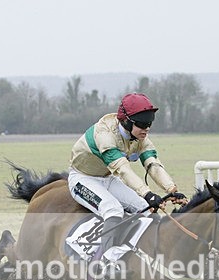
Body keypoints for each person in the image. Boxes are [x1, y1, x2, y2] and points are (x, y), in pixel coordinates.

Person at [68, 93, 188, 269]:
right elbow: (123, 170)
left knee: (145, 208)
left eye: (149, 124)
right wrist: (148, 193)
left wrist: (171, 189)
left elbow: (152, 164)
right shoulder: (105, 135)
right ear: (126, 121)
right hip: (83, 178)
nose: (146, 129)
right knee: (113, 209)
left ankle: (150, 254)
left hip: (107, 178)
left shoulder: (140, 137)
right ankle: (105, 261)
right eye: (141, 124)